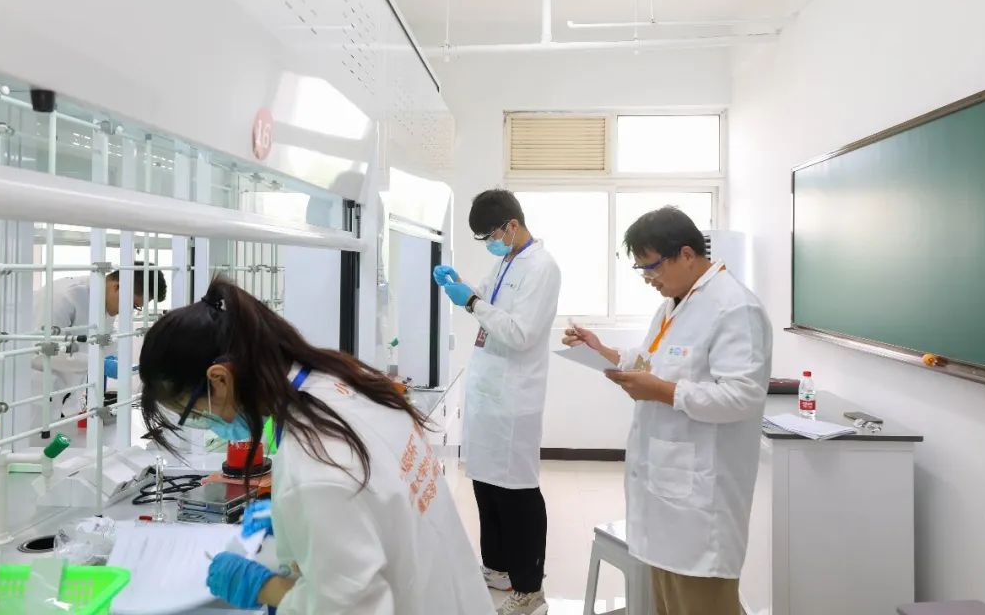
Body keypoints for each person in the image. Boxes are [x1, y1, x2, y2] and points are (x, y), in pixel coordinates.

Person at [138, 278, 494, 615]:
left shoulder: (315, 465)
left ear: (219, 379)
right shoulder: (337, 378)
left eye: (193, 413)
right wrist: (296, 522)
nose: (204, 423)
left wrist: (262, 587)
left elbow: (351, 611)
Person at [562, 207, 772, 615]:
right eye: (641, 269)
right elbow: (652, 360)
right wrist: (602, 350)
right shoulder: (675, 303)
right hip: (666, 495)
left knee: (701, 602)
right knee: (669, 600)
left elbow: (743, 397)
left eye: (652, 266)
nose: (648, 278)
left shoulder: (734, 308)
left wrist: (663, 392)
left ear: (687, 254)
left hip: (702, 503)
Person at [433, 189, 561, 615]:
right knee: (486, 487)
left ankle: (530, 589)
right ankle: (499, 569)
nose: (489, 242)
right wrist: (462, 286)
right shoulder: (506, 261)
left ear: (511, 225)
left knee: (517, 494)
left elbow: (521, 333)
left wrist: (470, 302)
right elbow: (488, 303)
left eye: (490, 234)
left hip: (514, 399)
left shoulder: (542, 267)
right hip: (489, 393)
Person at [31, 263, 167, 416]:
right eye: (133, 305)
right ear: (117, 287)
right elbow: (40, 351)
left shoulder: (105, 301)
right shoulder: (62, 297)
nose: (129, 311)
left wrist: (121, 362)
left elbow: (105, 339)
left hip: (67, 397)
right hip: (34, 396)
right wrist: (99, 363)